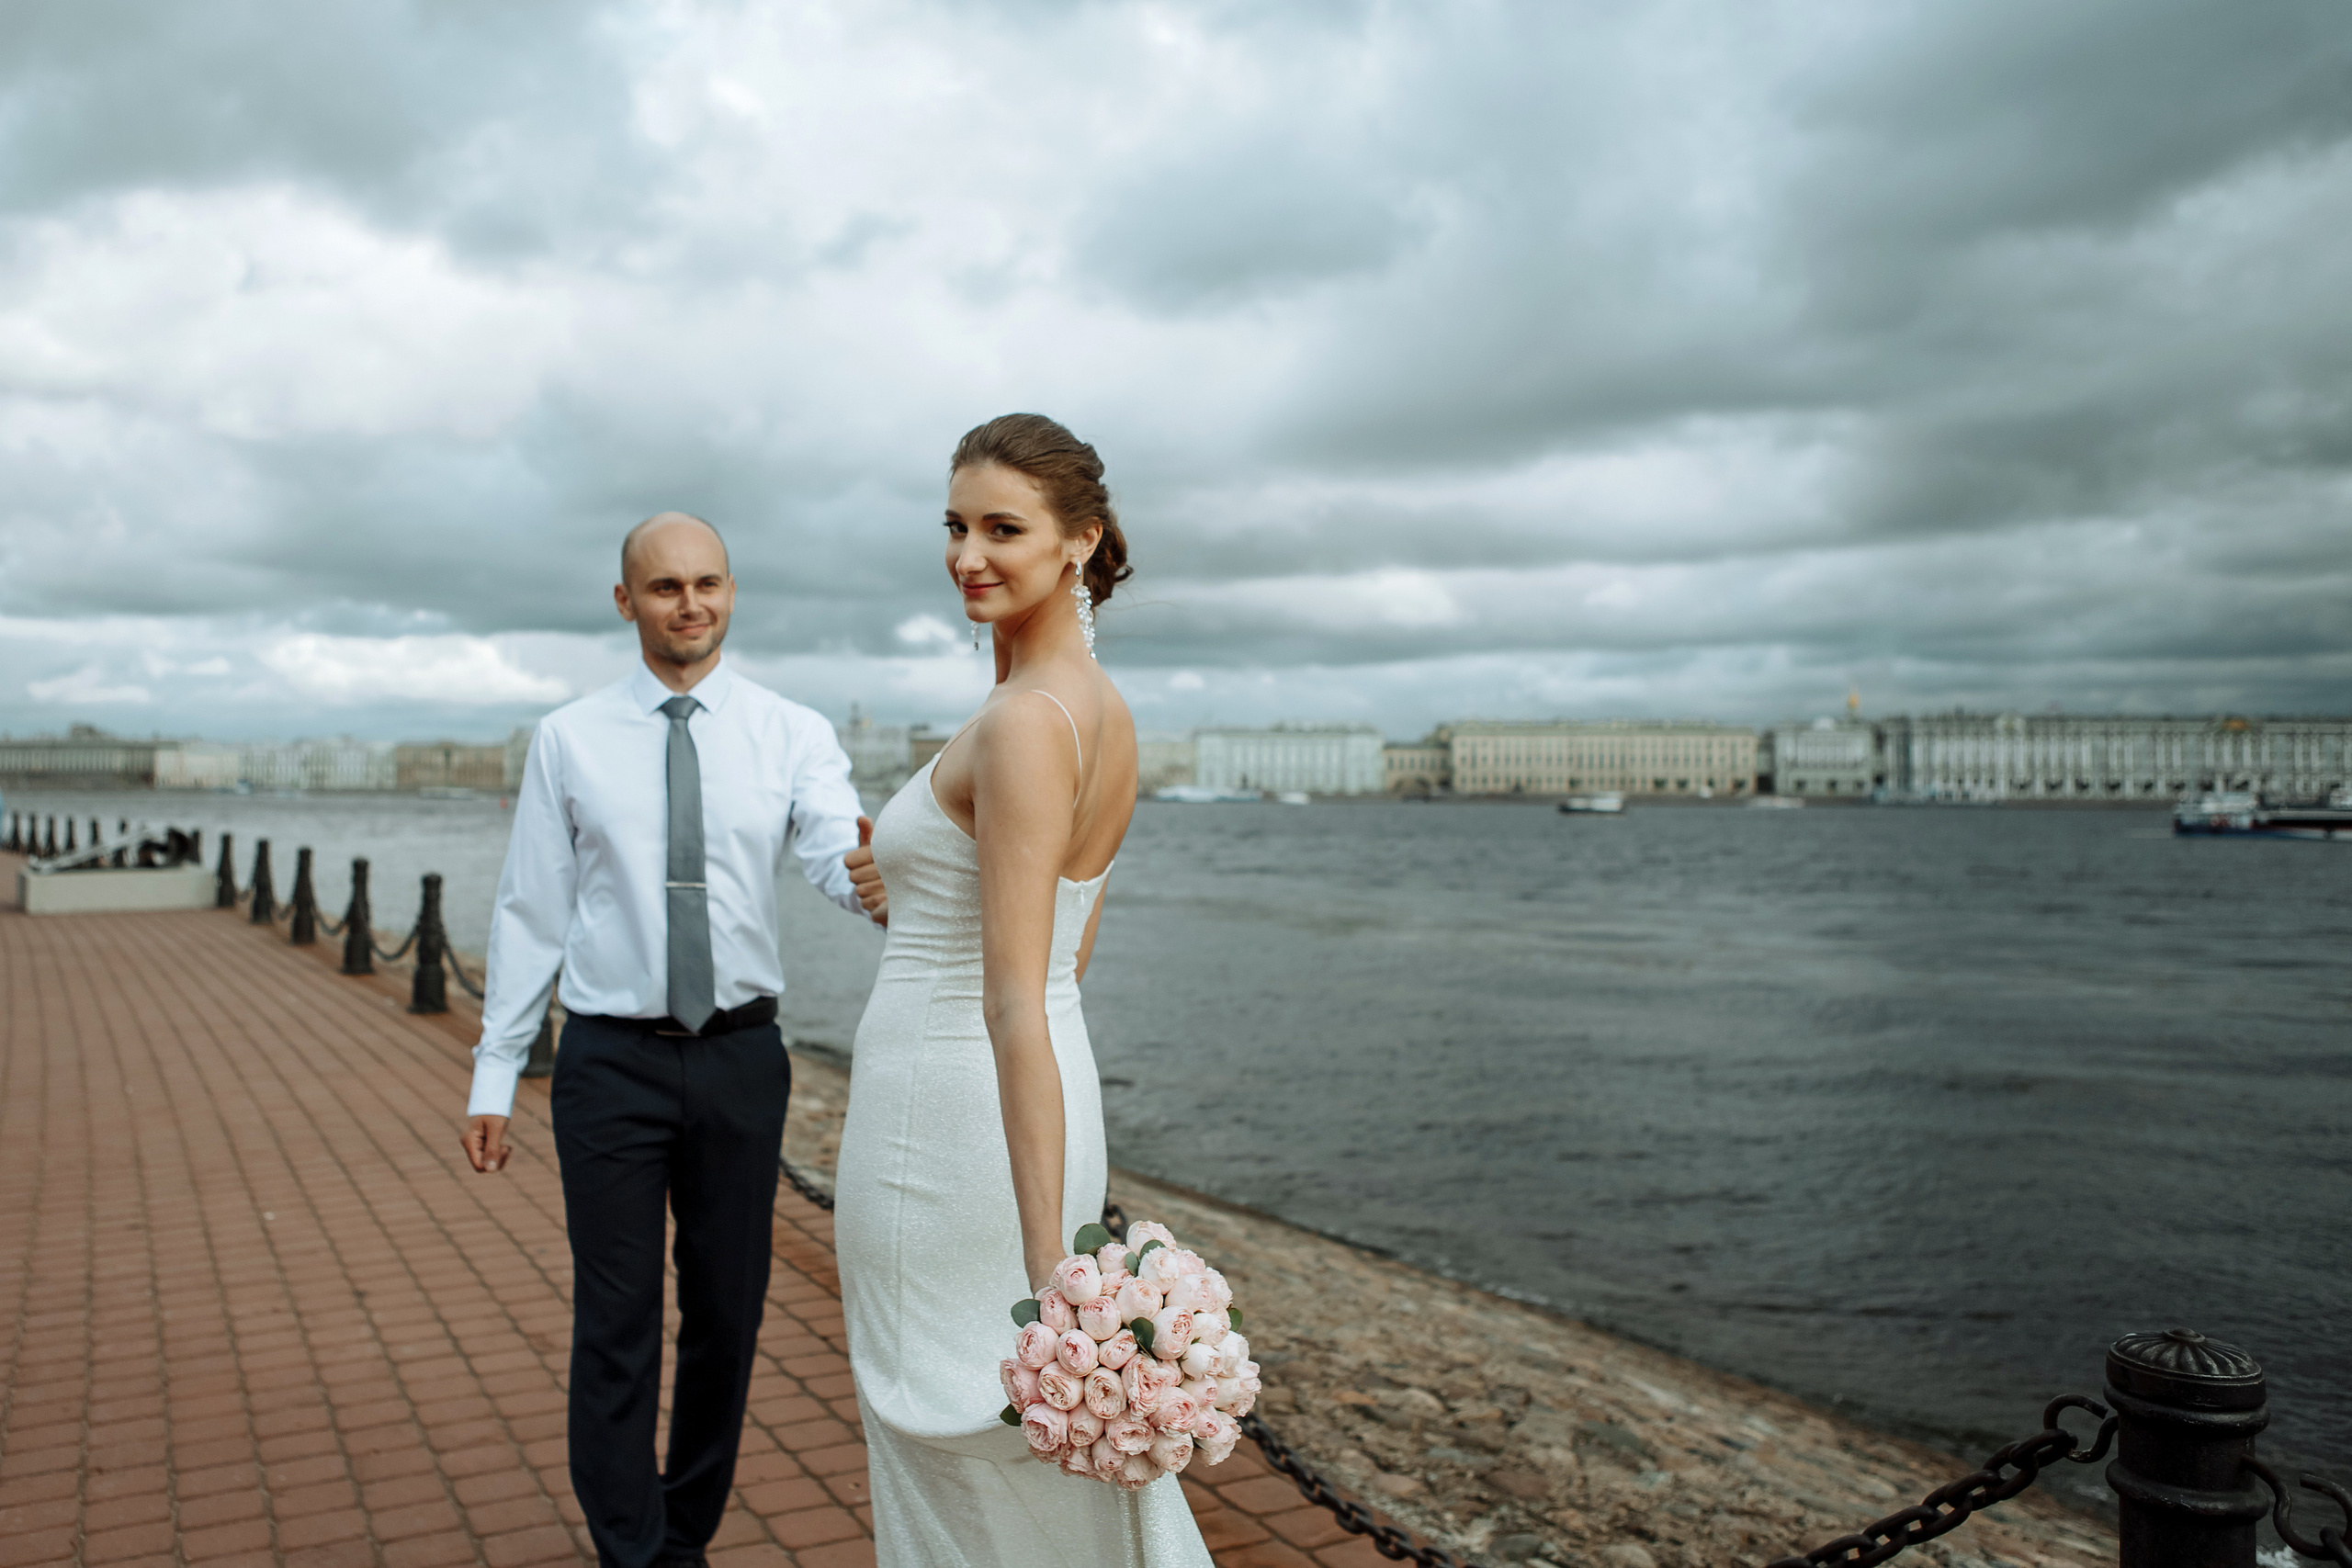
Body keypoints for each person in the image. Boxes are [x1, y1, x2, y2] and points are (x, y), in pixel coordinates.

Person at [459, 512, 887, 1568]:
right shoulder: (568, 737)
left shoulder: (793, 732)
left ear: (731, 591)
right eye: (663, 588)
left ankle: (684, 1531)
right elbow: (530, 910)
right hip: (610, 1062)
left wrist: (879, 882)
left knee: (728, 1317)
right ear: (625, 602)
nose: (688, 604)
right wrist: (494, 1071)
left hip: (743, 1060)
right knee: (616, 1322)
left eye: (707, 583)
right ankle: (632, 1550)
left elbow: (836, 852)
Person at [833, 416, 1209, 1563]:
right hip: (1038, 1102)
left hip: (944, 1133)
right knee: (1027, 1442)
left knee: (946, 1442)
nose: (966, 556)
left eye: (1003, 528)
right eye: (954, 526)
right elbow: (1064, 958)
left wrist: (1046, 1254)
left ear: (1080, 542)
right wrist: (917, 890)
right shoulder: (1097, 711)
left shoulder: (1020, 724)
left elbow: (1009, 1003)